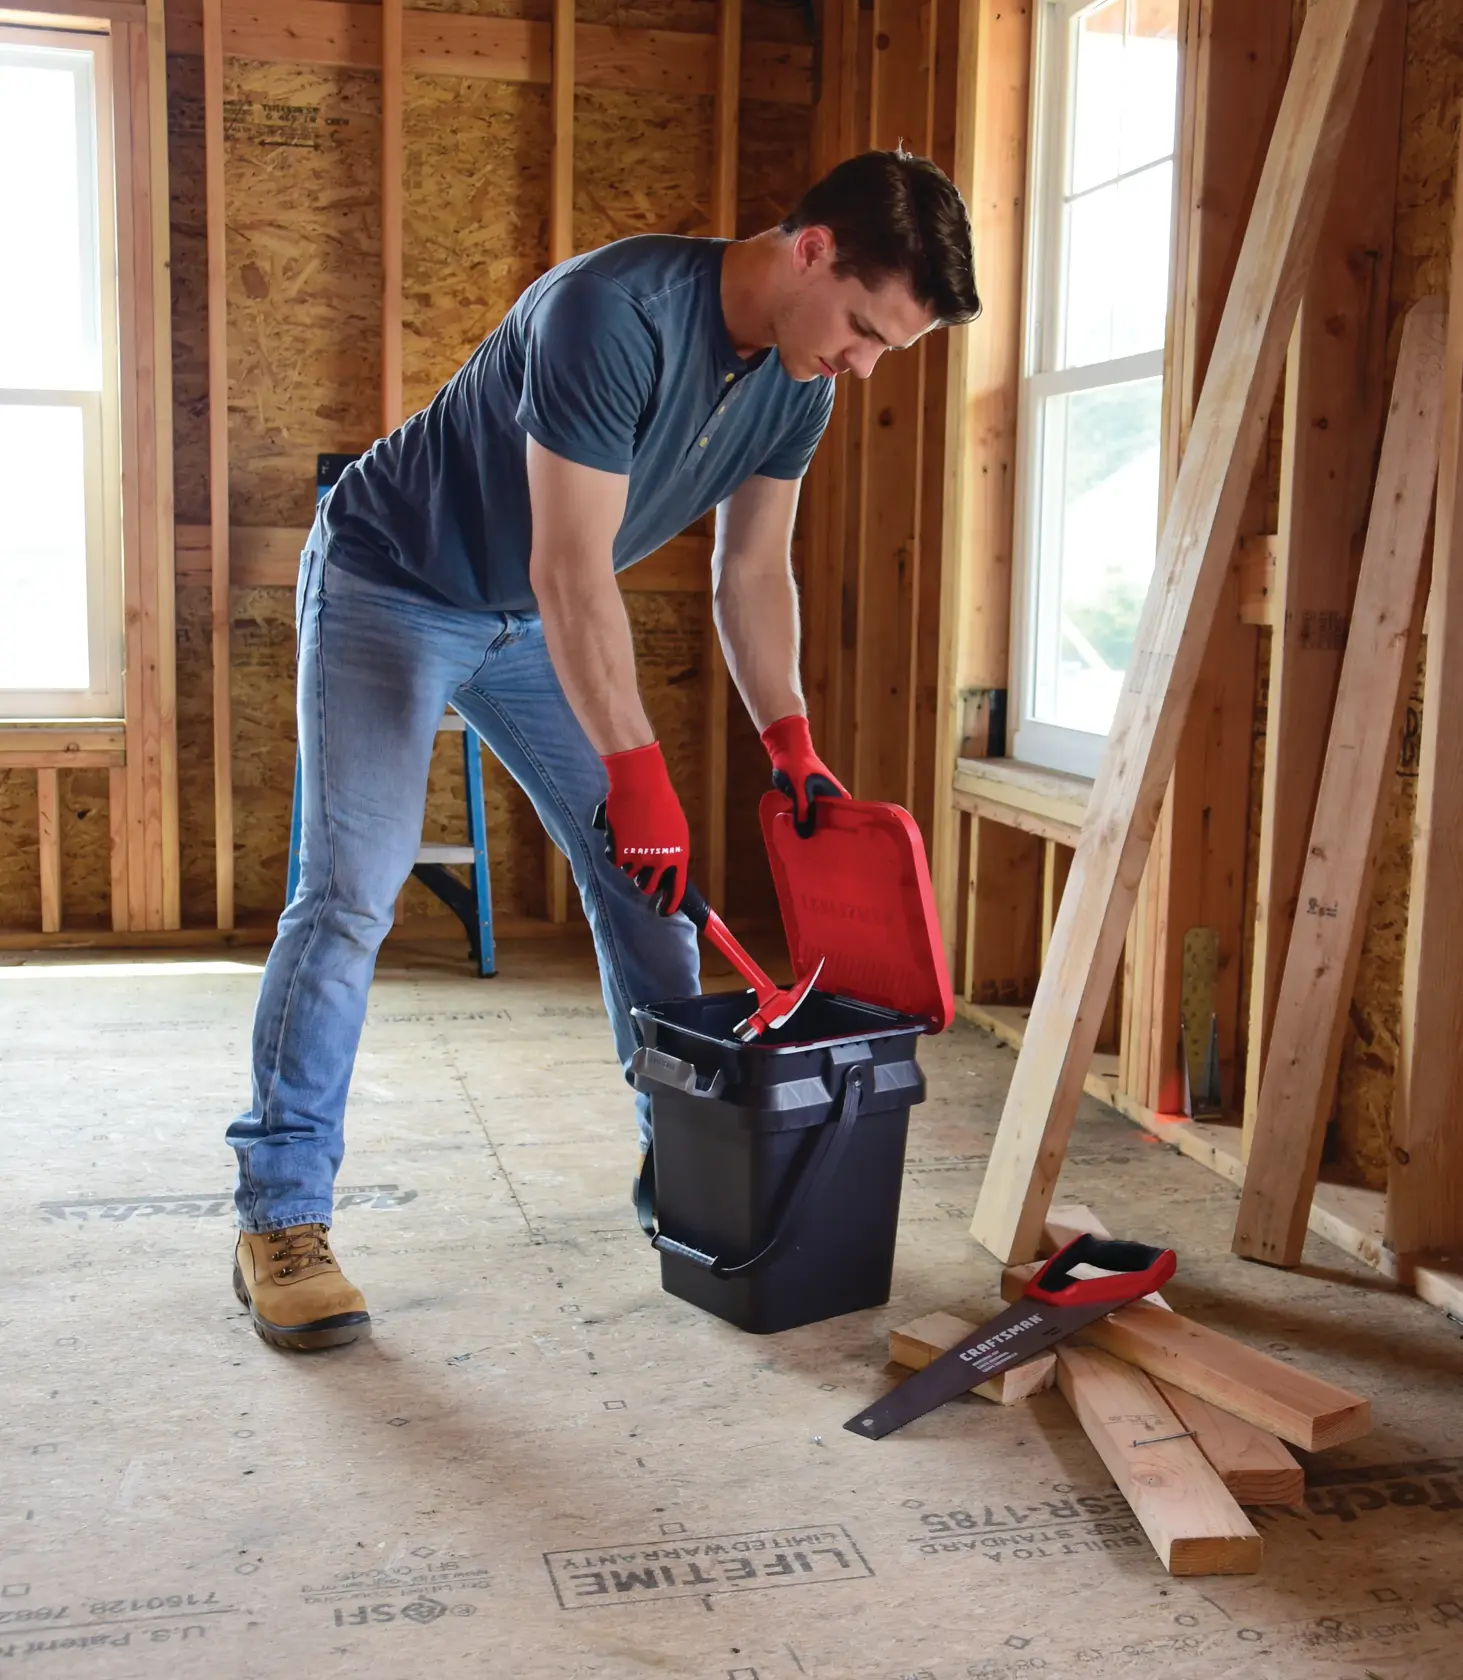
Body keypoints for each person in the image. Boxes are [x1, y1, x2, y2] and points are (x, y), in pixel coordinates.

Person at [227, 147, 980, 1351]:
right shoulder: (610, 313)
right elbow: (571, 565)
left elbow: (750, 571)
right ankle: (282, 1217)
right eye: (861, 329)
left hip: (526, 622)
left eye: (886, 347)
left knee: (649, 897)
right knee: (350, 896)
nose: (863, 363)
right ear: (810, 251)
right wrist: (637, 774)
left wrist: (788, 738)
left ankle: (689, 1171)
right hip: (392, 585)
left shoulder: (801, 382)